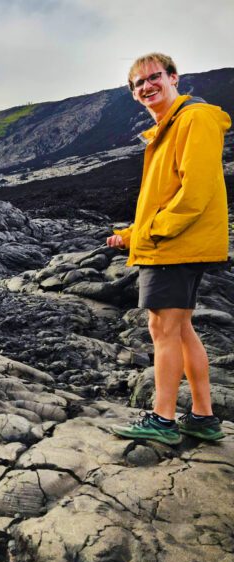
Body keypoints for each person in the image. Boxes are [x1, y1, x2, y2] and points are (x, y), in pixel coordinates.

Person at [108, 53, 229, 444]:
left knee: (162, 329)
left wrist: (153, 233)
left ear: (173, 77)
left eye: (153, 77)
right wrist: (131, 234)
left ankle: (162, 420)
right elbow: (169, 194)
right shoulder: (171, 125)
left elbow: (195, 193)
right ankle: (203, 417)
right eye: (137, 83)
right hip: (174, 243)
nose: (146, 86)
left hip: (175, 246)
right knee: (180, 330)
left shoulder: (194, 118)